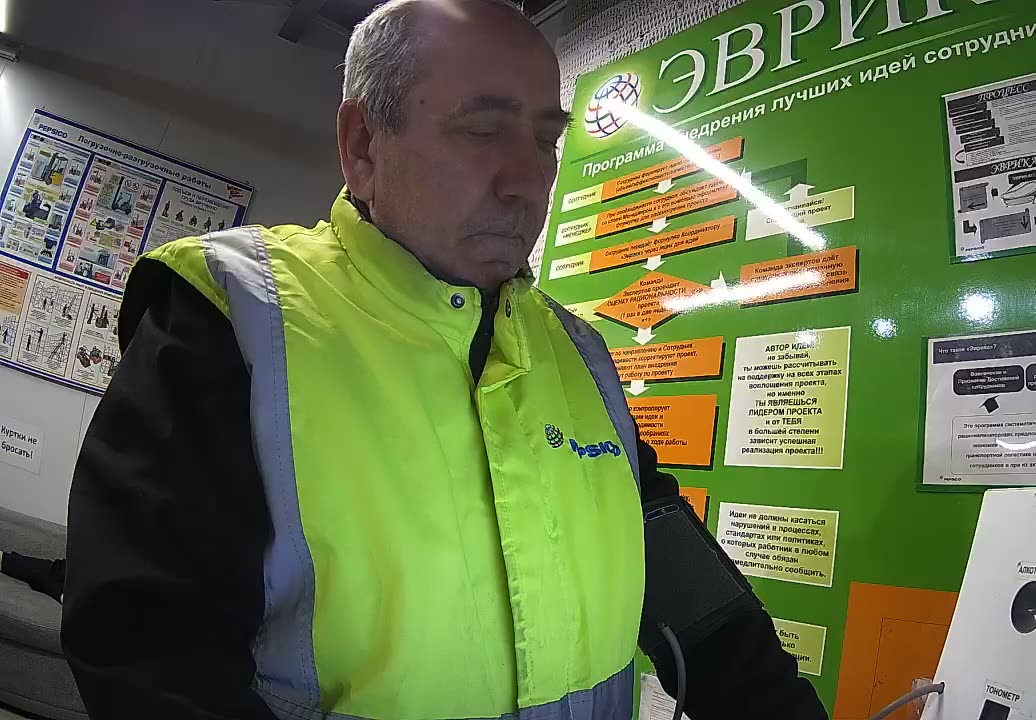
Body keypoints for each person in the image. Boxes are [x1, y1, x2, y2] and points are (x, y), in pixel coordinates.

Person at [61, 1, 829, 719]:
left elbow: (691, 597)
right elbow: (150, 654)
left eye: (546, 138)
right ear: (363, 146)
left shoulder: (581, 355)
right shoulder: (234, 318)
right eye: (483, 129)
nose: (528, 182)